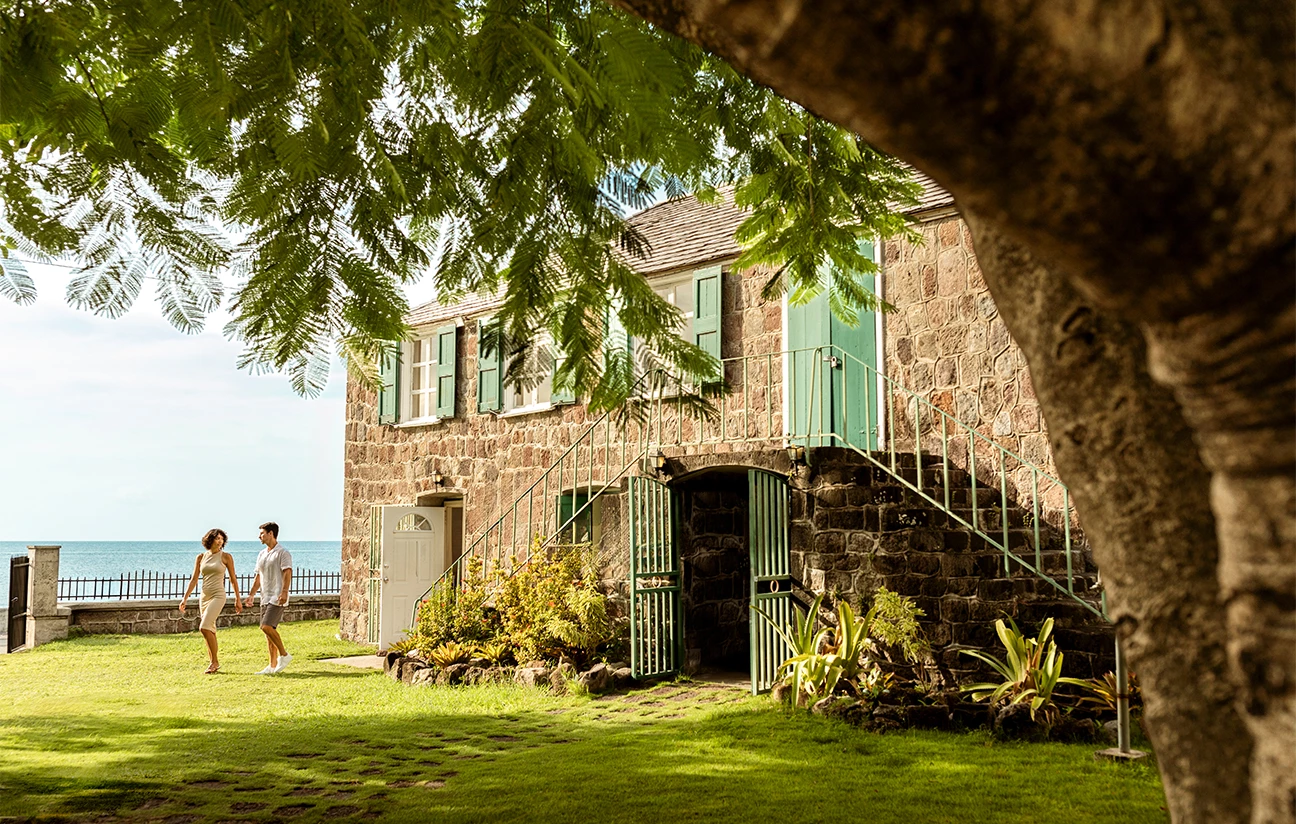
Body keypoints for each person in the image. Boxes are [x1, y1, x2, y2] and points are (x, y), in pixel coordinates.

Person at [179, 528, 242, 674]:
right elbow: (194, 579)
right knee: (209, 630)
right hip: (204, 596)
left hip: (218, 595)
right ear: (210, 540)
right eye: (217, 538)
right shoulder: (201, 557)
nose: (220, 541)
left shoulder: (226, 557)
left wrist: (238, 599)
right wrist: (185, 598)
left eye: (222, 539)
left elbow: (233, 579)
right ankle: (213, 663)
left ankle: (214, 662)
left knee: (204, 627)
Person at [243, 521, 293, 675]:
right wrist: (252, 594)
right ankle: (271, 666)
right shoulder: (262, 554)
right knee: (268, 632)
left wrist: (284, 592)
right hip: (265, 597)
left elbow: (287, 572)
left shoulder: (283, 553)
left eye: (262, 533)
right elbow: (259, 576)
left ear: (271, 533)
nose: (260, 536)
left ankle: (284, 655)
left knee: (266, 626)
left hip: (277, 597)